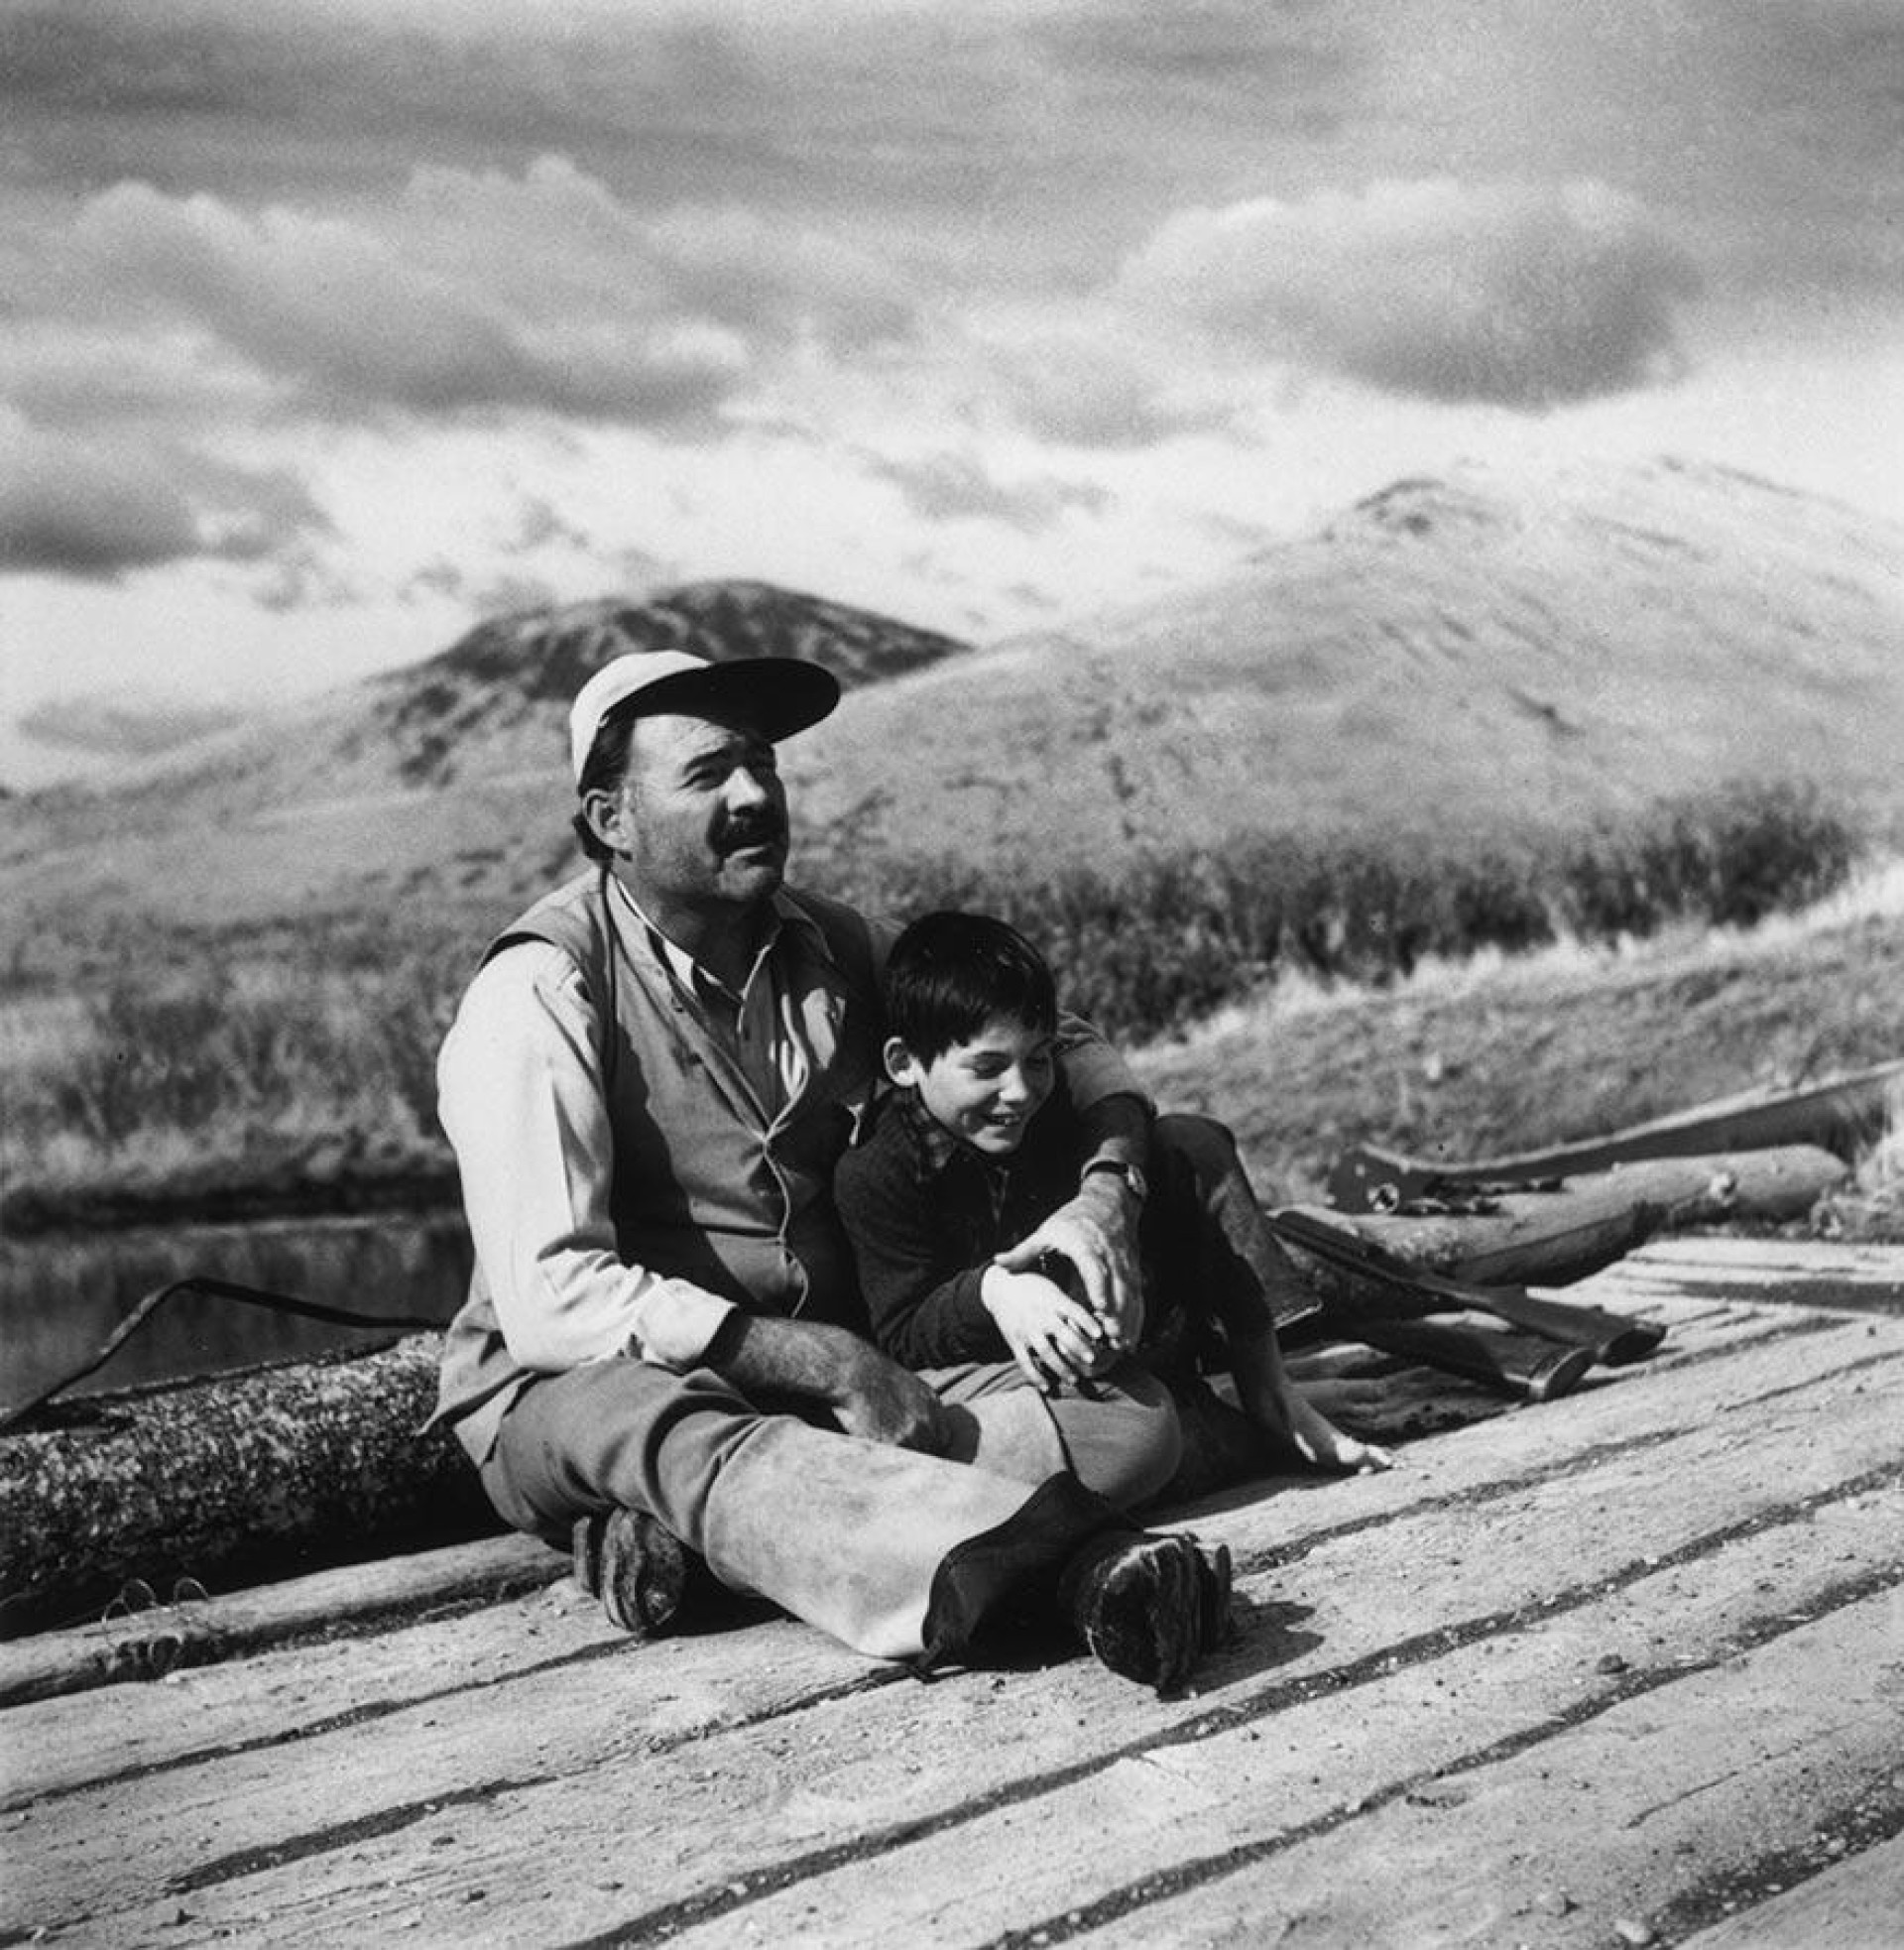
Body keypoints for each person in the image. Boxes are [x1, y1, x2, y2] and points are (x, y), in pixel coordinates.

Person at [430, 631, 1232, 1693]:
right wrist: (825, 1362)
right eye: (710, 772)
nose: (756, 794)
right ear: (609, 821)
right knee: (655, 1423)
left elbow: (1064, 1041)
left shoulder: (832, 942)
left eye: (762, 764)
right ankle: (1074, 1571)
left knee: (1126, 1412)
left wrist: (1106, 1188)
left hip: (822, 1383)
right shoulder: (538, 993)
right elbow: (552, 1302)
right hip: (591, 1385)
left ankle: (718, 1552)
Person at [834, 911, 1395, 1476]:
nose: (1020, 1091)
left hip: (1134, 1328)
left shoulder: (1055, 1105)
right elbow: (903, 1332)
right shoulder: (876, 1172)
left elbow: (1159, 1159)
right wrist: (993, 1292)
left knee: (1192, 1143)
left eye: (1037, 1059)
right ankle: (1216, 1425)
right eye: (987, 1068)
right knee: (1173, 1444)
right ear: (904, 1064)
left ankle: (1273, 1396)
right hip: (1035, 1368)